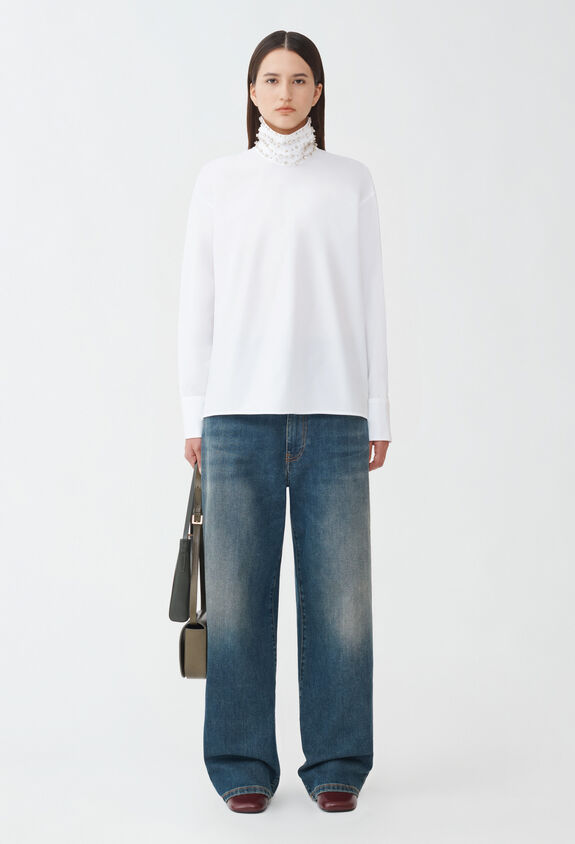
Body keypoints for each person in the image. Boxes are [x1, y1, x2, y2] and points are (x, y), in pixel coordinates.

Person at [177, 30, 392, 814]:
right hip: (235, 417)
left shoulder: (349, 182)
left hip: (334, 416)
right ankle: (241, 764)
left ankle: (337, 761)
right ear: (251, 91)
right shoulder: (219, 181)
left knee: (341, 603)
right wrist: (193, 410)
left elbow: (369, 298)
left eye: (299, 80)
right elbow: (196, 301)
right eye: (271, 79)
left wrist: (376, 408)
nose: (285, 93)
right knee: (237, 603)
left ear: (318, 92)